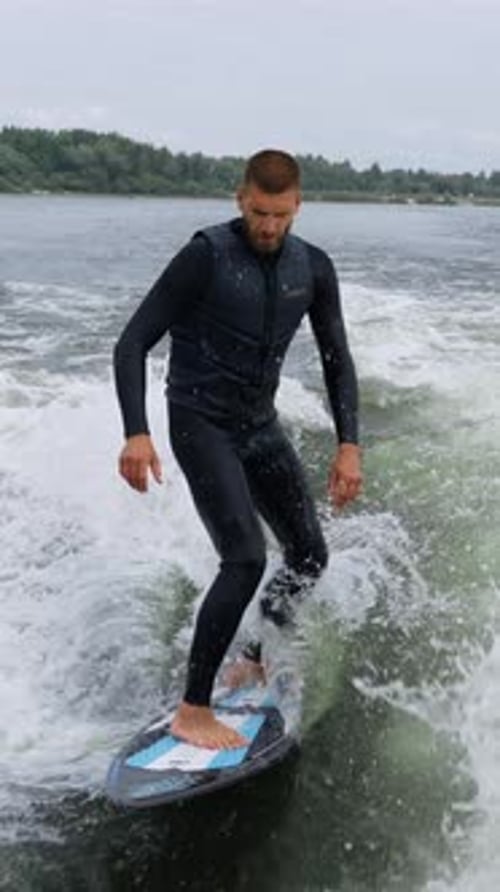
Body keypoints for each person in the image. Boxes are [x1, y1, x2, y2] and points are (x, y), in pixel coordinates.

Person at [113, 149, 362, 750]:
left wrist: (349, 444)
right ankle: (192, 709)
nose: (268, 227)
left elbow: (337, 359)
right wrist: (136, 431)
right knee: (245, 558)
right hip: (200, 421)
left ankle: (252, 656)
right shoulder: (206, 256)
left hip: (258, 424)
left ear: (297, 206)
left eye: (280, 215)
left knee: (308, 555)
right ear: (240, 199)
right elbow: (132, 342)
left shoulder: (313, 267)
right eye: (258, 213)